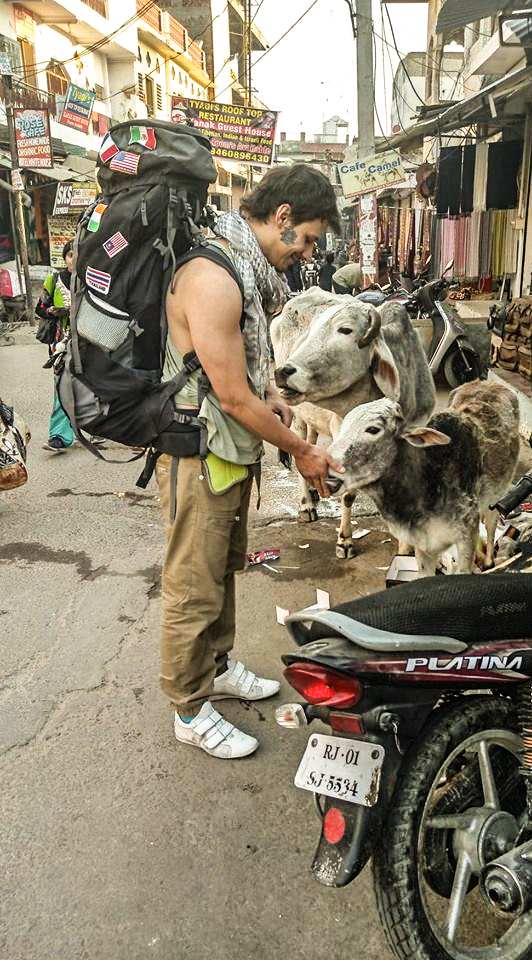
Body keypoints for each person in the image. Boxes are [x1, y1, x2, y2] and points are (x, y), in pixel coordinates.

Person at [156, 162, 344, 759]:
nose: (306, 252)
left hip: (227, 451)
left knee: (223, 567)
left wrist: (269, 398)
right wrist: (304, 449)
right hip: (199, 452)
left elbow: (237, 380)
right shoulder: (215, 275)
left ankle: (218, 666)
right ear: (282, 217)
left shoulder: (245, 270)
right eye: (308, 237)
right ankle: (188, 707)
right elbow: (229, 396)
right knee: (193, 583)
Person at [38, 242, 75, 453]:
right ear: (65, 257)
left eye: (78, 254)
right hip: (61, 342)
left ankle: (97, 430)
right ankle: (59, 435)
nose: (74, 258)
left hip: (89, 339)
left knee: (93, 383)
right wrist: (54, 311)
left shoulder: (92, 279)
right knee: (62, 385)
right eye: (70, 254)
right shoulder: (53, 279)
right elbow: (40, 308)